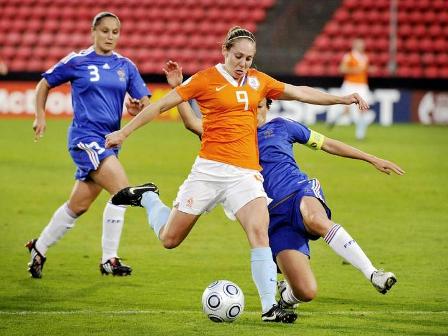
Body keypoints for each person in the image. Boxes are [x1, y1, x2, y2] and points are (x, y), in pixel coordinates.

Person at [105, 27, 369, 322]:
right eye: (238, 56)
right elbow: (163, 105)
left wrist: (342, 99)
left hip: (245, 173)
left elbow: (299, 92)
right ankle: (149, 198)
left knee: (259, 233)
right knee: (170, 239)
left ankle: (270, 307)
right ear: (225, 52)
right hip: (208, 170)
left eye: (249, 58)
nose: (243, 63)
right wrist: (124, 132)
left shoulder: (259, 81)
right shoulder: (205, 79)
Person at [162, 62, 404, 312]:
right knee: (306, 291)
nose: (250, 113)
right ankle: (287, 296)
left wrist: (372, 158)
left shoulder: (283, 126)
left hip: (298, 190)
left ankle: (373, 272)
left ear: (267, 104)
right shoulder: (226, 134)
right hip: (272, 216)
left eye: (256, 107)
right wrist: (178, 88)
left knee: (315, 219)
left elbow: (328, 144)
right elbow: (192, 123)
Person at [26, 12, 151, 278]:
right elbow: (44, 84)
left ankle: (39, 247)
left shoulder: (125, 66)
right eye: (105, 31)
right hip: (85, 138)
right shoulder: (78, 61)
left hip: (109, 142)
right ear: (93, 31)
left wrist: (135, 106)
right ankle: (109, 259)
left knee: (78, 206)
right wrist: (40, 115)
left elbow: (145, 104)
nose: (110, 37)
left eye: (115, 32)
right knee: (122, 191)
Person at [329, 38, 374, 140]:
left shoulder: (365, 57)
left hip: (362, 85)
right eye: (359, 44)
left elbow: (364, 70)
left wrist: (369, 69)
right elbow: (342, 69)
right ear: (355, 45)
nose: (362, 46)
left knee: (363, 108)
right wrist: (356, 70)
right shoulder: (349, 56)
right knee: (346, 109)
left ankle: (360, 135)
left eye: (362, 44)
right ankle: (334, 120)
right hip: (350, 85)